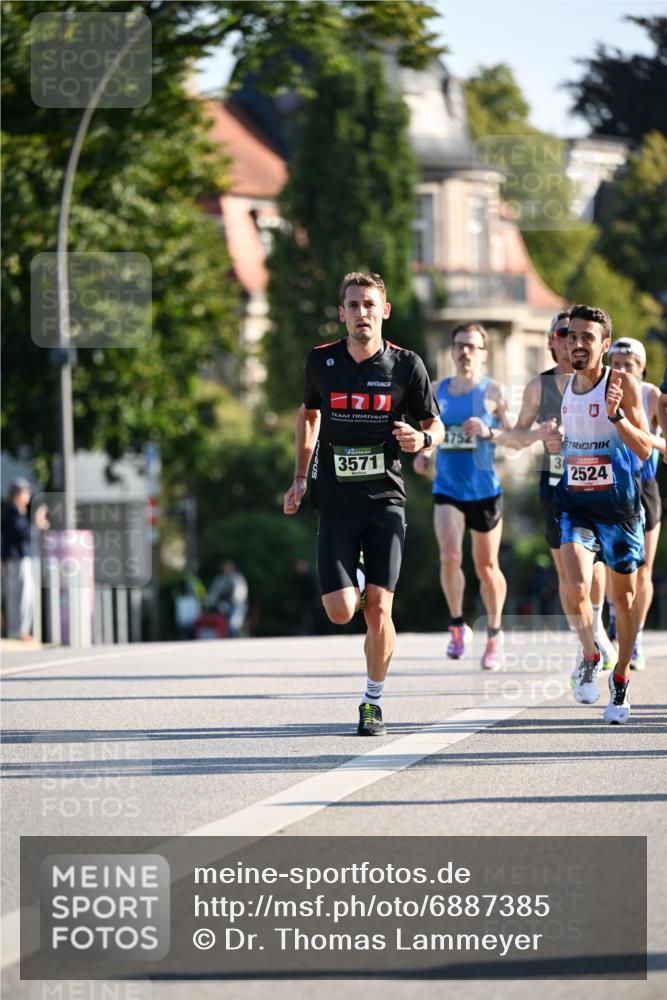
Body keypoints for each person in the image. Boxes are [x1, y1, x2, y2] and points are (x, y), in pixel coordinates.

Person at [283, 271, 444, 736]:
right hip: (334, 500)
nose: (362, 313)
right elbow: (309, 416)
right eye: (353, 305)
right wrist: (299, 479)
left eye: (370, 305)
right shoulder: (321, 361)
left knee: (379, 609)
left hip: (385, 501)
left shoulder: (406, 365)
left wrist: (422, 440)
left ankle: (372, 701)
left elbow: (436, 425)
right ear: (342, 314)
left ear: (384, 311)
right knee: (340, 611)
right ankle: (354, 580)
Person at [495, 310, 617, 673]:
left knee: (597, 566)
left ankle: (596, 624)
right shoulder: (540, 386)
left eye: (575, 333)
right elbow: (514, 438)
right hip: (557, 487)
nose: (569, 340)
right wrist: (539, 435)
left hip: (598, 485)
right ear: (552, 341)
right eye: (562, 333)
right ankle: (586, 640)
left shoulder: (604, 381)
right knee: (568, 573)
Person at [555, 305, 652, 724]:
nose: (577, 344)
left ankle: (621, 677)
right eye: (572, 336)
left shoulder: (622, 384)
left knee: (623, 600)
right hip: (575, 502)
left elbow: (644, 449)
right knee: (575, 585)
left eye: (587, 338)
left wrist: (617, 417)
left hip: (619, 508)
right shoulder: (565, 386)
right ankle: (591, 653)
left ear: (605, 345)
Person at [413, 323, 512, 670]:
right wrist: (424, 452)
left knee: (487, 566)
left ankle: (494, 634)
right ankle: (457, 626)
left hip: (485, 491)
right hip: (448, 488)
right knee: (450, 557)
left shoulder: (494, 392)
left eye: (472, 346)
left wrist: (489, 430)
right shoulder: (437, 391)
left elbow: (514, 437)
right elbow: (431, 433)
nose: (465, 351)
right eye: (459, 345)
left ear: (484, 353)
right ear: (452, 351)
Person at [607, 338, 664, 670]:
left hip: (644, 485)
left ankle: (636, 636)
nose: (622, 369)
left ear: (641, 368)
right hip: (611, 485)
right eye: (616, 363)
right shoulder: (600, 391)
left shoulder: (651, 394)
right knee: (612, 565)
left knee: (644, 569)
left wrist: (645, 438)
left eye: (629, 364)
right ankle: (615, 622)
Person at [1, 478, 47, 640]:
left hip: (20, 558)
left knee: (21, 596)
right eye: (25, 492)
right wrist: (36, 523)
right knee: (21, 596)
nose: (28, 496)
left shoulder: (19, 513)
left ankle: (19, 630)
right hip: (17, 559)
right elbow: (21, 534)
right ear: (17, 494)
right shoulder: (12, 513)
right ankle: (19, 631)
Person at [207, 558, 248, 638]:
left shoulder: (238, 578)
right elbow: (212, 595)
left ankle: (234, 635)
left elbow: (240, 594)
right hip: (221, 606)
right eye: (225, 567)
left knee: (234, 621)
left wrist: (234, 599)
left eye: (228, 567)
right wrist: (211, 602)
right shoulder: (219, 579)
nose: (226, 569)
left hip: (236, 606)